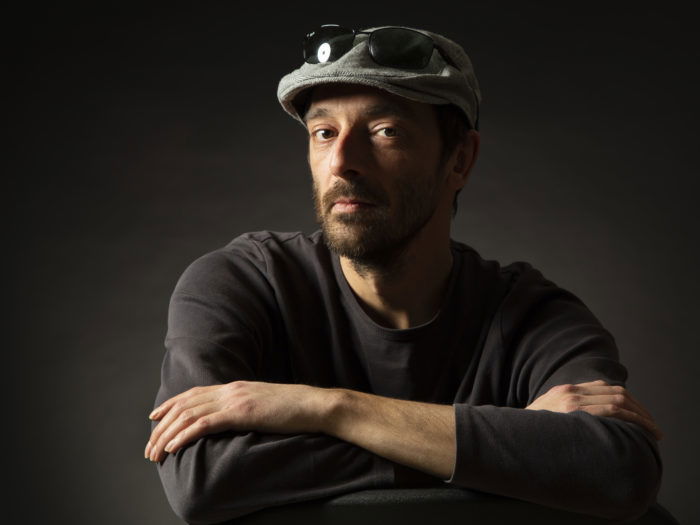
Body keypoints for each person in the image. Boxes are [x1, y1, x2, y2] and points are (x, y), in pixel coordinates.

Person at [145, 25, 663, 525]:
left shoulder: (531, 314)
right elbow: (202, 477)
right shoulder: (243, 282)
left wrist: (328, 409)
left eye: (383, 131)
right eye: (324, 133)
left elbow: (619, 470)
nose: (342, 161)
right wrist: (498, 451)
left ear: (459, 159)